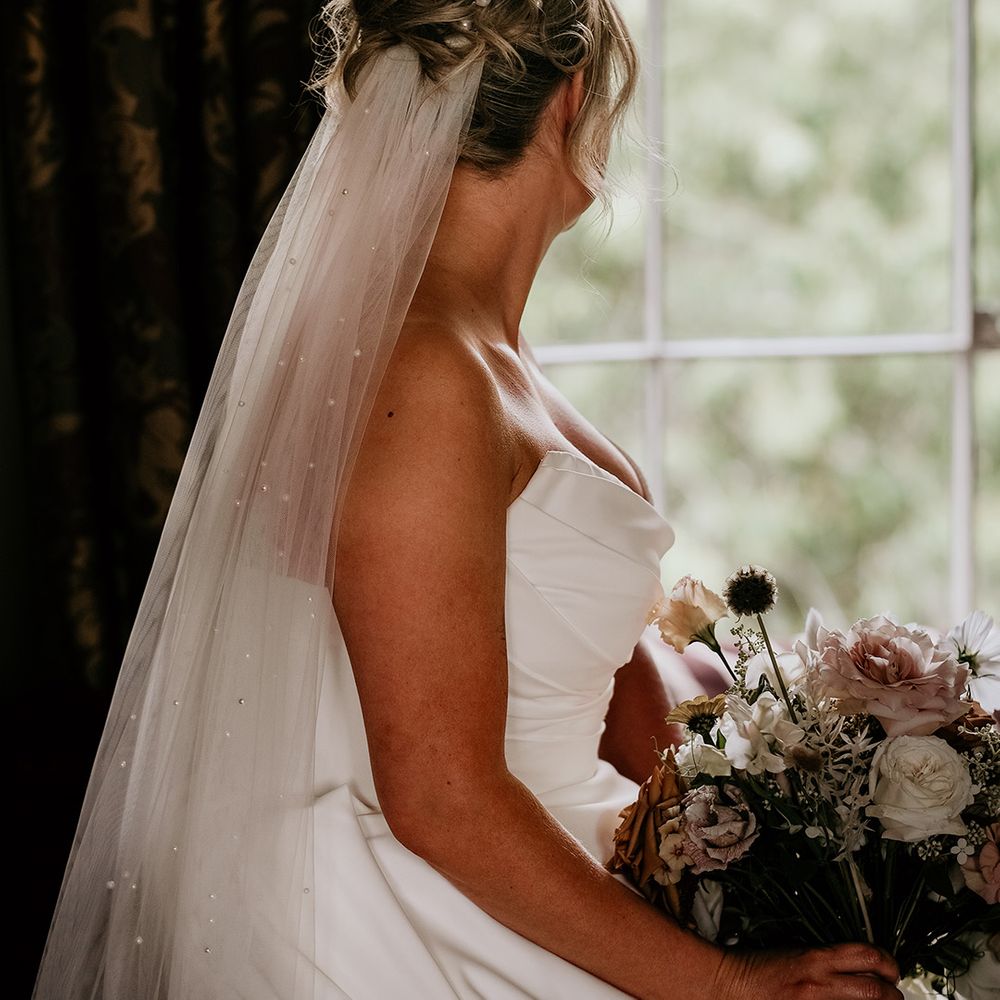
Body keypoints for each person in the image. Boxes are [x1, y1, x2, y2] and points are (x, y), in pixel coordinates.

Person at [33, 2, 905, 997]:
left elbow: (585, 674)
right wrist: (725, 984)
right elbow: (442, 796)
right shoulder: (424, 372)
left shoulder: (487, 355)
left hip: (574, 859)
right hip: (433, 914)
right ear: (570, 102)